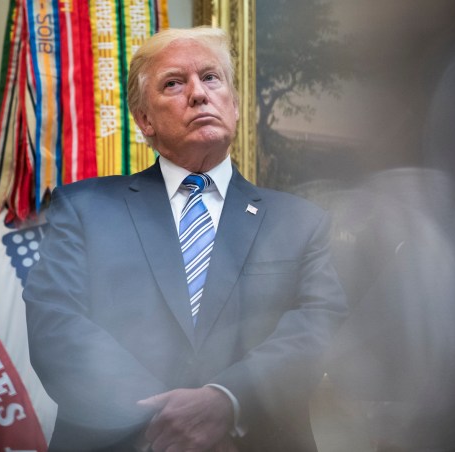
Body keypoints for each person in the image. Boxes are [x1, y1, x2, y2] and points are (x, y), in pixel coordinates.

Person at [23, 27, 348, 451]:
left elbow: (318, 325)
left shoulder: (301, 222)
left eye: (211, 78)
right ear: (145, 121)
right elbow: (56, 326)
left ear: (233, 105)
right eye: (174, 83)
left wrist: (227, 402)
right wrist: (168, 422)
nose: (198, 93)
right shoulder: (83, 209)